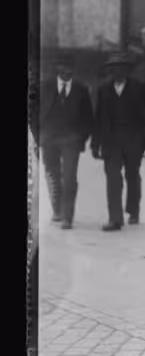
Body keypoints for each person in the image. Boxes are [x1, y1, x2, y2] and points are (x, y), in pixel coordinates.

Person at [91, 52, 145, 231]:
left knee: (132, 175)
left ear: (127, 70)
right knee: (113, 177)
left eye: (121, 68)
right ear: (110, 70)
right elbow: (98, 117)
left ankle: (133, 209)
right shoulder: (103, 89)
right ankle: (115, 218)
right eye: (113, 68)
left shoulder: (140, 87)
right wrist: (95, 143)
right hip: (111, 139)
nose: (117, 72)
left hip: (134, 138)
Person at [37, 52, 94, 230]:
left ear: (73, 70)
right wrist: (37, 134)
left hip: (71, 139)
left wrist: (81, 137)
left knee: (69, 177)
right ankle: (57, 209)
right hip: (48, 137)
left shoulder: (81, 90)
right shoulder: (44, 87)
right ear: (57, 68)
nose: (66, 70)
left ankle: (67, 216)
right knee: (52, 175)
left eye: (69, 68)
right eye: (62, 67)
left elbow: (88, 118)